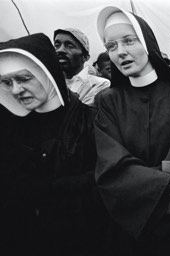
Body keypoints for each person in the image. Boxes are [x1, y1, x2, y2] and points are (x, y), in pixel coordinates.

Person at [94, 6, 170, 256]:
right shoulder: (106, 101)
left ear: (148, 43)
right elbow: (111, 170)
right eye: (112, 46)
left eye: (129, 40)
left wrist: (135, 180)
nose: (121, 52)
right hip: (123, 228)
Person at [0, 33, 108, 256]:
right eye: (6, 82)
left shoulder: (91, 121)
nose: (16, 90)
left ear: (47, 71)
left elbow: (102, 181)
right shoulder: (9, 125)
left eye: (24, 78)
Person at [54, 28, 110, 105]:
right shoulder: (49, 84)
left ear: (85, 57)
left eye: (69, 46)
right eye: (56, 45)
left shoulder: (100, 85)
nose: (60, 50)